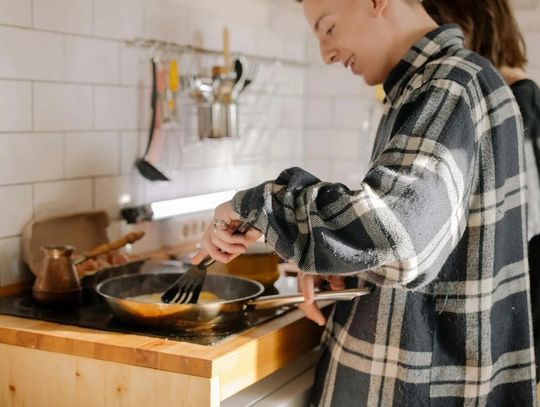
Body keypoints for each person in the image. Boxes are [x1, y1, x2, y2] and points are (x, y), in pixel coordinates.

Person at [193, 0, 537, 404]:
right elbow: (438, 250)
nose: (326, 53)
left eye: (328, 28)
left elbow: (396, 232)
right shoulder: (440, 83)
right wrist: (343, 265)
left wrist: (257, 204)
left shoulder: (450, 84)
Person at [421, 0, 540, 384]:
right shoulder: (516, 93)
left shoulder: (515, 98)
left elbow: (524, 219)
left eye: (440, 21)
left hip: (521, 294)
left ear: (470, 24)